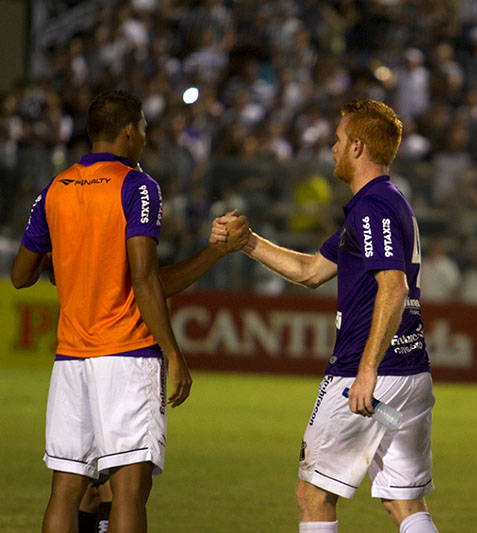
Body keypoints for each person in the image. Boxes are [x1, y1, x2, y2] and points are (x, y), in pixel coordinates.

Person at [10, 89, 248, 533]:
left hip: (71, 358)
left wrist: (64, 259)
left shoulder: (55, 188)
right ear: (127, 132)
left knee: (64, 488)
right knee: (128, 490)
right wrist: (173, 353)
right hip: (127, 353)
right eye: (142, 129)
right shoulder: (138, 186)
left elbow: (21, 275)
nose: (144, 137)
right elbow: (144, 278)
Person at [212, 98, 438, 533]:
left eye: (337, 140)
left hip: (367, 377)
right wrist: (248, 242)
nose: (331, 149)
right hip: (409, 375)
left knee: (314, 494)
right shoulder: (385, 205)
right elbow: (310, 271)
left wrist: (367, 371)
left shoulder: (372, 208)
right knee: (403, 502)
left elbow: (393, 287)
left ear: (357, 147)